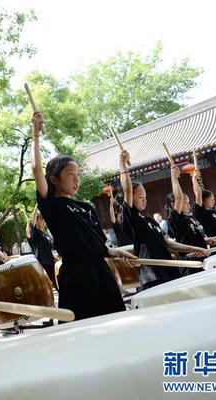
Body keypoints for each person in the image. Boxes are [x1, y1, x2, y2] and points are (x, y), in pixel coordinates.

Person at [31, 111, 135, 320]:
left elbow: (102, 248)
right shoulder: (52, 206)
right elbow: (36, 169)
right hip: (77, 277)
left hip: (102, 274)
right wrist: (35, 135)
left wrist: (118, 253)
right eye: (70, 175)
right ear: (54, 179)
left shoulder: (86, 207)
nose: (76, 180)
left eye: (78, 175)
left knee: (115, 323)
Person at [119, 150, 209, 290]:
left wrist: (193, 248)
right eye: (140, 196)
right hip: (152, 276)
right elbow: (127, 190)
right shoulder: (131, 218)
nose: (145, 199)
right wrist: (122, 164)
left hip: (169, 271)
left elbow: (167, 243)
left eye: (145, 196)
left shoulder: (150, 221)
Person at [168, 165, 216, 275]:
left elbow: (191, 238)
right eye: (185, 202)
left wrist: (206, 240)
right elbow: (179, 197)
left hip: (201, 258)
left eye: (188, 201)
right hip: (190, 263)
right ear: (174, 204)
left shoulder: (189, 218)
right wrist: (174, 177)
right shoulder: (175, 218)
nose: (188, 204)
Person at [25, 206, 58, 289]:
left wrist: (55, 256)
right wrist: (37, 205)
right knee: (45, 285)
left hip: (51, 262)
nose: (44, 221)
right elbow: (32, 221)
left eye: (44, 219)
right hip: (42, 263)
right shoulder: (35, 232)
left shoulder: (46, 234)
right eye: (42, 219)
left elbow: (51, 247)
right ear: (37, 220)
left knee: (56, 284)